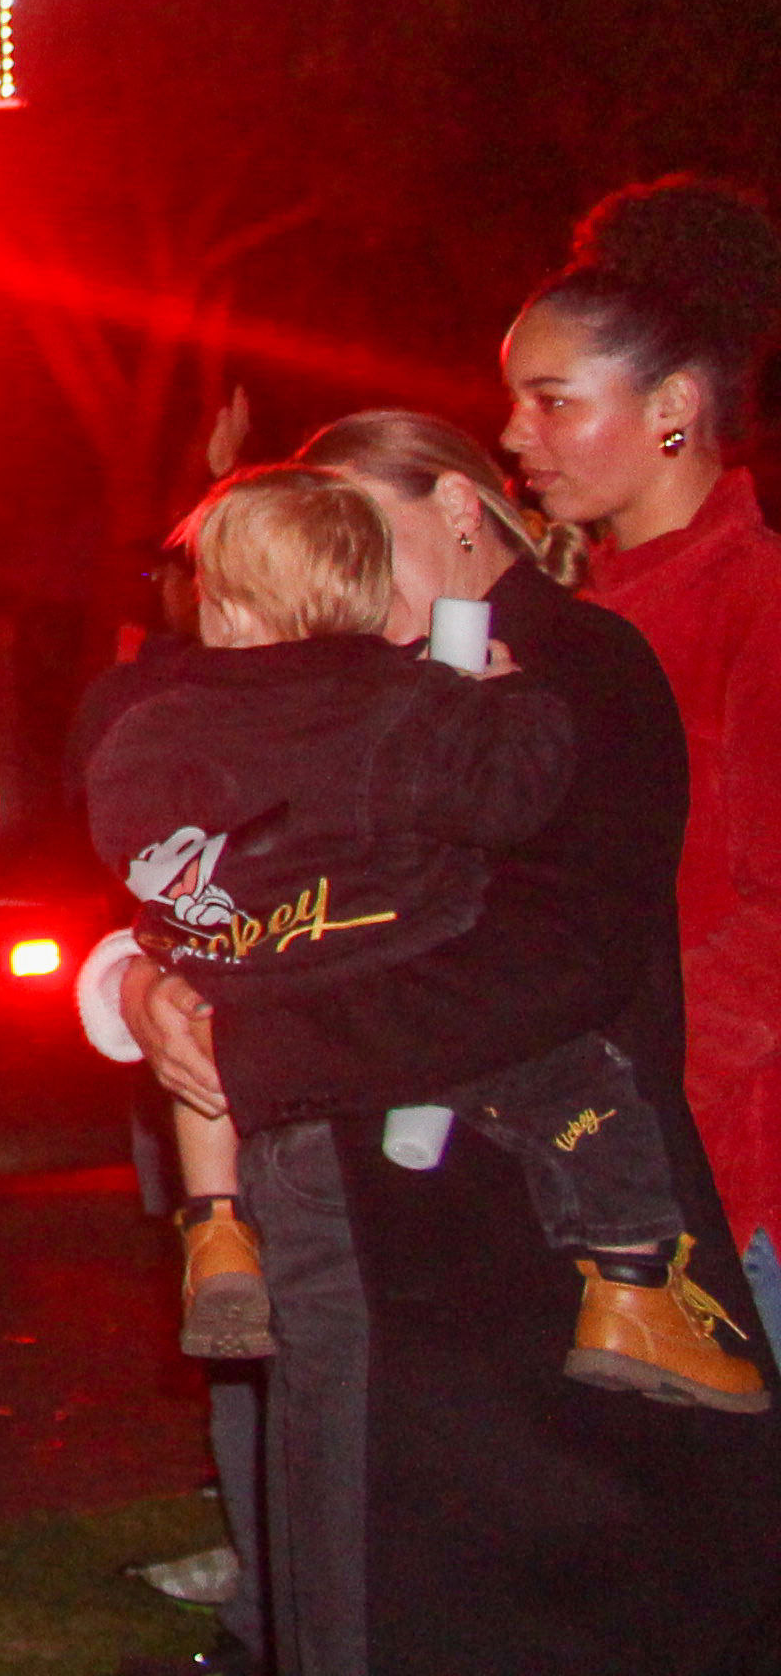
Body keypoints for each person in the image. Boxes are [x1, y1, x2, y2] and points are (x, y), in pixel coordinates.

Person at [121, 408, 781, 1676]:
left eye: (360, 540)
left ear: (459, 510)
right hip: (371, 1244)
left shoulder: (574, 673)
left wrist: (257, 1043)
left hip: (524, 1245)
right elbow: (222, 867)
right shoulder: (353, 688)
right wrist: (148, 973)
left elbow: (551, 960)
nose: (343, 584)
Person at [85, 466, 756, 1401]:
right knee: (583, 1089)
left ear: (226, 612)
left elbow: (125, 827)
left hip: (235, 959)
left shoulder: (157, 720)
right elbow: (503, 803)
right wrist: (509, 704)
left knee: (201, 1052)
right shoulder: (401, 705)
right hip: (390, 957)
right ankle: (632, 1286)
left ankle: (217, 1232)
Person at [501, 177, 781, 1343]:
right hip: (583, 1167)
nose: (517, 436)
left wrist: (633, 1077)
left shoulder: (754, 604)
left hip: (726, 1182)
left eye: (553, 402)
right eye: (516, 400)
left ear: (671, 406)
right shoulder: (558, 618)